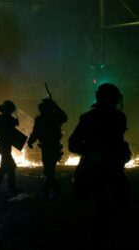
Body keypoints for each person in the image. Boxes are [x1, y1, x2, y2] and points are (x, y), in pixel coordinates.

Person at [69, 83, 131, 244]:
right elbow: (73, 143)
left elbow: (118, 141)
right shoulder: (90, 118)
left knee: (122, 200)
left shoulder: (118, 117)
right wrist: (92, 154)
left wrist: (122, 154)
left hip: (113, 167)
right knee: (102, 204)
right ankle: (98, 236)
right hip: (95, 169)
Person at [27, 98, 67, 199]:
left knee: (49, 171)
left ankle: (54, 192)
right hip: (54, 146)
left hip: (47, 147)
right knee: (50, 170)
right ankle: (46, 191)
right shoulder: (55, 117)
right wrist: (56, 106)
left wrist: (30, 141)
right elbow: (64, 117)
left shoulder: (41, 119)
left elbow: (36, 132)